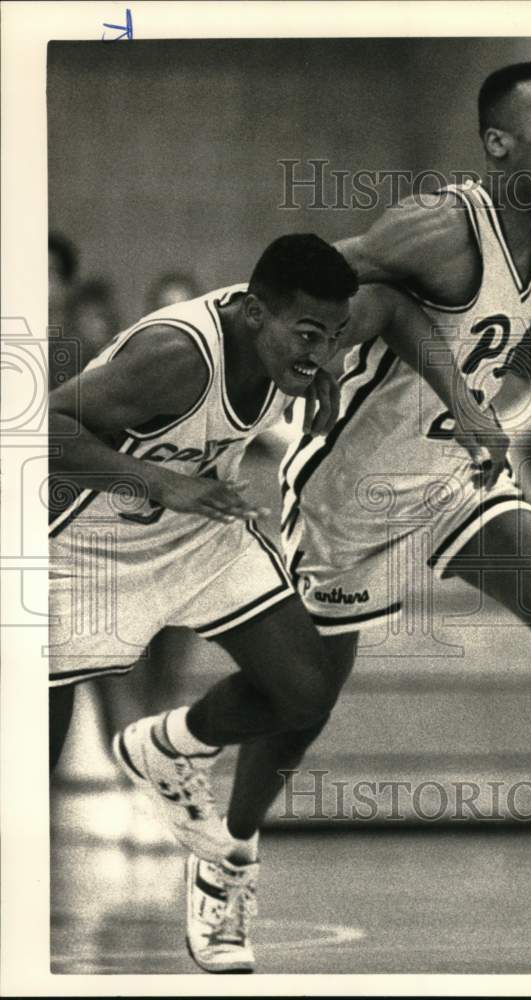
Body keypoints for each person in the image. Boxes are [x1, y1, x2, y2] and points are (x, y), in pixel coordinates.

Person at [121, 62, 531, 973]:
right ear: (497, 142)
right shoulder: (435, 225)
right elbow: (344, 294)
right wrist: (311, 380)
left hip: (451, 481)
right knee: (299, 705)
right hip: (348, 495)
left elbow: (490, 329)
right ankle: (199, 801)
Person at [49, 233, 368, 969]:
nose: (321, 352)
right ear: (256, 313)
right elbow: (38, 426)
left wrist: (315, 397)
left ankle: (168, 747)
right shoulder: (178, 356)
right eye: (308, 335)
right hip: (87, 540)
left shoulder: (293, 349)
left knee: (307, 690)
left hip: (197, 527)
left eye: (334, 337)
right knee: (34, 759)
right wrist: (160, 483)